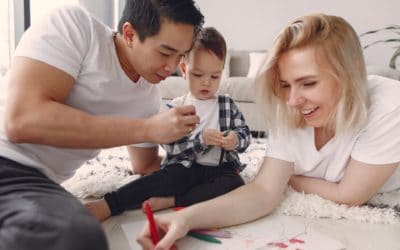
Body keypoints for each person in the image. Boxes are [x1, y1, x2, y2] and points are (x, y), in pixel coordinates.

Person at [137, 13, 400, 250]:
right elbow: (263, 191)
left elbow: (350, 195)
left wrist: (291, 178)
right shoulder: (288, 108)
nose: (293, 100)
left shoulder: (389, 106)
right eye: (285, 85)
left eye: (308, 83)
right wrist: (183, 218)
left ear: (349, 75)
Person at [0, 0, 204, 249]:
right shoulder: (76, 26)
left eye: (181, 55)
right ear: (130, 34)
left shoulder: (148, 97)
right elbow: (21, 120)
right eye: (164, 52)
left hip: (35, 185)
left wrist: (198, 161)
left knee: (79, 234)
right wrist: (147, 128)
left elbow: (145, 164)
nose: (173, 67)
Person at [85, 27, 252, 222]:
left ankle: (173, 200)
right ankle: (110, 204)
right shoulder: (177, 107)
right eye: (198, 75)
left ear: (221, 73)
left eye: (214, 76)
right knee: (158, 180)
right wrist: (200, 140)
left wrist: (235, 140)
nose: (206, 82)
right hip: (184, 169)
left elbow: (245, 134)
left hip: (219, 170)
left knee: (234, 183)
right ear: (183, 70)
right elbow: (172, 148)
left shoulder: (226, 104)